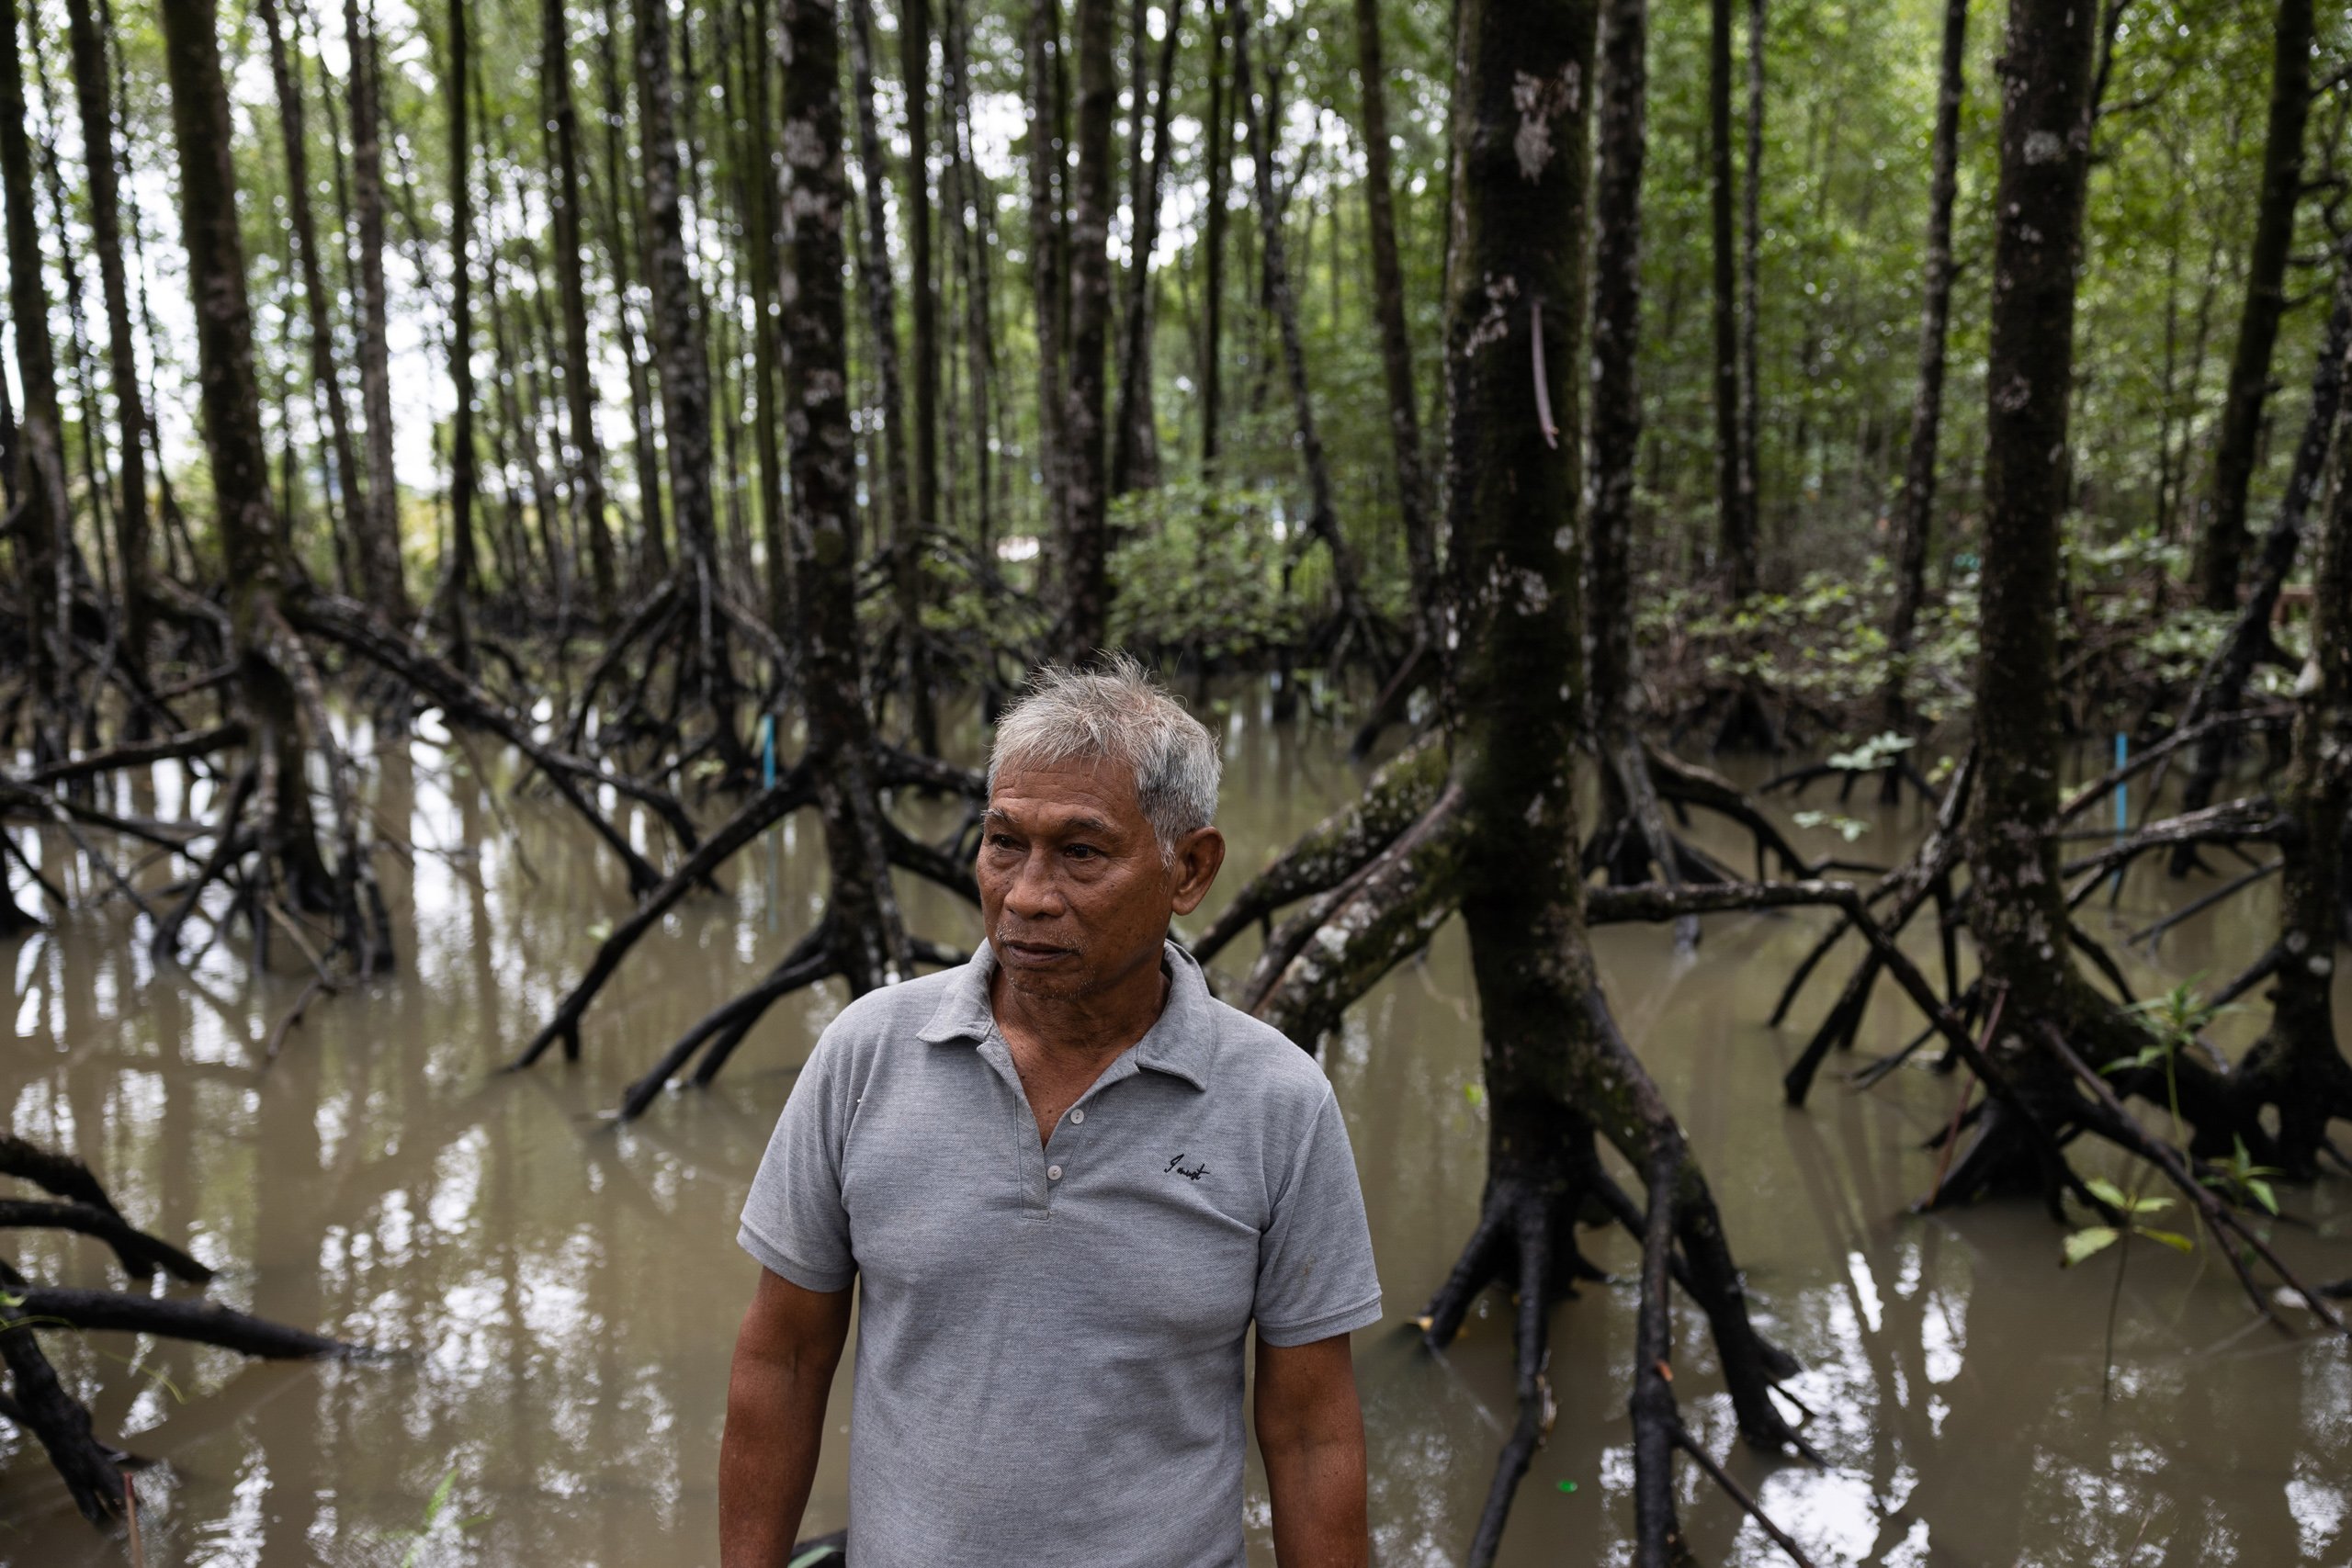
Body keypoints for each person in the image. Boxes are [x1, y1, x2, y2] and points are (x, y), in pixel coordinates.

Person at [719, 659, 1382, 1567]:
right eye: (1003, 843)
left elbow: (1313, 1434)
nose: (1027, 896)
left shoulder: (1276, 1102)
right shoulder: (867, 1054)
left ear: (1187, 869)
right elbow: (782, 1362)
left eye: (1081, 852)